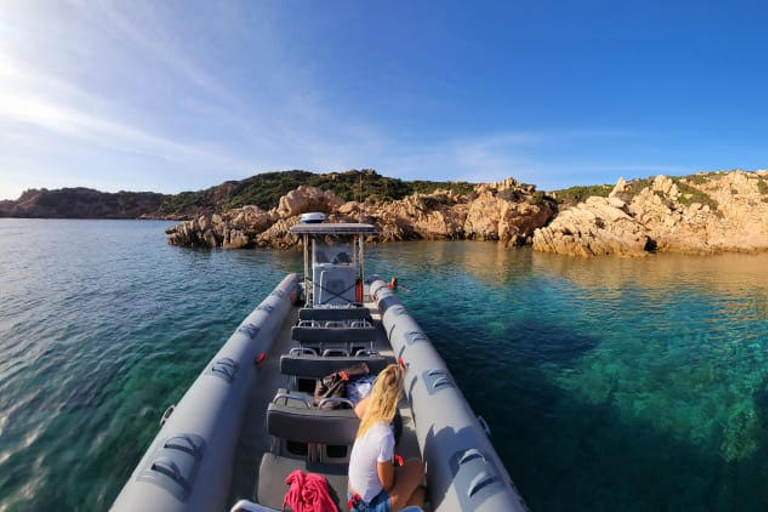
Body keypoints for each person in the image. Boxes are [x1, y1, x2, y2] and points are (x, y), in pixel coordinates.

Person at [348, 365, 425, 511]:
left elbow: (358, 410)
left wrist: (384, 387)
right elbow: (387, 483)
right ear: (398, 397)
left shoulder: (369, 413)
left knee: (412, 482)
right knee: (418, 482)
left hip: (352, 495)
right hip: (366, 506)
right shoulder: (384, 435)